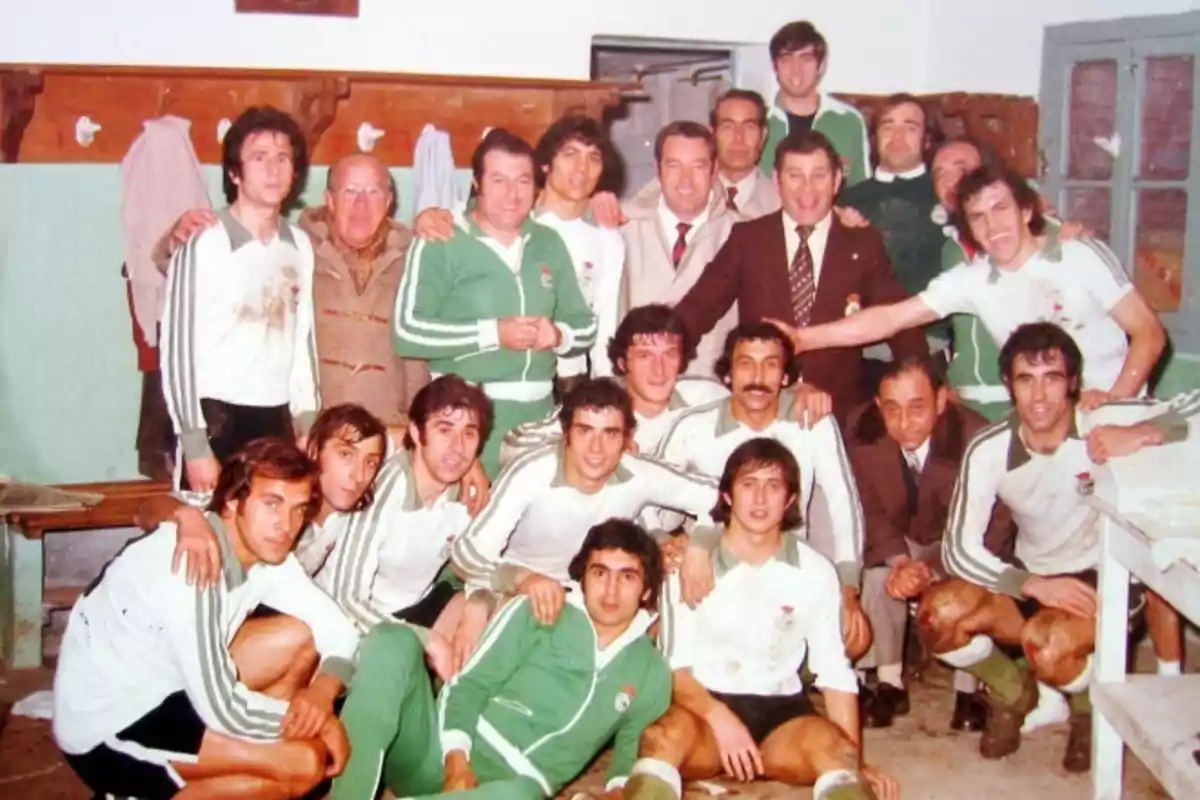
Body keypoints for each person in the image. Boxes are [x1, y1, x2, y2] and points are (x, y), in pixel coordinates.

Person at [916, 322, 1198, 771]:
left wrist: (1144, 431)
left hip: (1100, 576)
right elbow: (957, 549)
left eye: (1053, 378)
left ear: (1073, 383)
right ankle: (1015, 691)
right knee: (935, 616)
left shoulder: (1099, 422)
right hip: (1033, 575)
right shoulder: (989, 448)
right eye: (1026, 379)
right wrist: (1030, 584)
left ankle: (1090, 710)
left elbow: (1194, 403)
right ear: (1009, 384)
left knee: (1045, 644)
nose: (1040, 396)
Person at [53, 439, 360, 800]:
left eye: (298, 509)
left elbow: (339, 630)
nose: (286, 525)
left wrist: (322, 692)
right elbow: (224, 710)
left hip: (172, 688)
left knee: (299, 637)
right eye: (272, 504)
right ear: (233, 501)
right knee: (303, 763)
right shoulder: (191, 563)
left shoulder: (267, 552)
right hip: (110, 722)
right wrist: (318, 724)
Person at [623, 439, 897, 800]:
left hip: (781, 715)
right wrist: (721, 720)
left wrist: (854, 765)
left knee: (835, 751)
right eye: (748, 485)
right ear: (726, 497)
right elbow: (676, 669)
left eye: (773, 486)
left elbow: (834, 673)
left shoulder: (815, 570)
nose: (760, 499)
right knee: (660, 739)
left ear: (790, 500)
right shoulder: (690, 566)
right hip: (704, 711)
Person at [773, 162, 1168, 408]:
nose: (992, 227)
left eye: (1000, 210)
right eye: (978, 217)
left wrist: (1115, 400)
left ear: (1026, 210)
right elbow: (890, 318)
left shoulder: (1079, 255)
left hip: (1119, 406)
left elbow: (1149, 333)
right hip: (1046, 419)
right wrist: (804, 339)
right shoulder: (974, 280)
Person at [332, 520, 671, 799]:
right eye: (600, 573)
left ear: (645, 589)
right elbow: (468, 685)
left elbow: (629, 754)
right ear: (583, 577)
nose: (611, 591)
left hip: (512, 789)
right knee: (393, 641)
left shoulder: (651, 672)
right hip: (439, 752)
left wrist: (617, 790)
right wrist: (456, 763)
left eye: (627, 576)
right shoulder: (541, 611)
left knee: (519, 795)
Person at [153, 152, 430, 447]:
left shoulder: (417, 257)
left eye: (373, 191)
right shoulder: (293, 248)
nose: (361, 204)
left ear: (389, 201)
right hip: (314, 435)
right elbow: (190, 271)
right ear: (330, 199)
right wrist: (176, 238)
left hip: (391, 432)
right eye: (349, 191)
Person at [674, 130, 928, 423]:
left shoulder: (863, 243)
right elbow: (698, 308)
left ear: (836, 182)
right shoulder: (748, 239)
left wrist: (924, 384)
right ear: (778, 181)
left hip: (840, 414)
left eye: (818, 175)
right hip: (762, 410)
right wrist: (658, 353)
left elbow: (899, 321)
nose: (807, 189)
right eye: (795, 175)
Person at [653, 323, 868, 658]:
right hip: (713, 565)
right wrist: (664, 540)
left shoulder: (812, 421)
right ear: (727, 374)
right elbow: (653, 502)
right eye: (745, 363)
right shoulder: (693, 425)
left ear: (786, 377)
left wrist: (849, 586)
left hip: (788, 565)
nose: (757, 376)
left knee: (848, 632)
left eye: (770, 364)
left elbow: (844, 502)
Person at [449, 378, 723, 637]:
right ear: (566, 433)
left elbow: (719, 495)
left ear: (627, 440)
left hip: (593, 595)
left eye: (610, 434)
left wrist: (699, 545)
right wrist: (522, 578)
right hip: (519, 590)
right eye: (585, 431)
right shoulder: (532, 471)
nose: (597, 448)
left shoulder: (638, 473)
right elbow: (466, 555)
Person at [393, 128, 597, 476]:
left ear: (536, 185)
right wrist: (493, 334)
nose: (512, 194)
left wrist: (559, 336)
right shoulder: (441, 238)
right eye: (499, 179)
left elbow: (586, 324)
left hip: (540, 420)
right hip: (465, 420)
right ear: (477, 183)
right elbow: (407, 331)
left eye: (522, 181)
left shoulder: (549, 242)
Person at [845, 357, 1013, 731]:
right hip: (903, 538)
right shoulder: (862, 433)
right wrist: (900, 562)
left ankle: (970, 688)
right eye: (892, 410)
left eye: (917, 408)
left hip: (961, 544)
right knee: (876, 577)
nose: (904, 423)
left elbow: (994, 526)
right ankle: (889, 683)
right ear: (878, 407)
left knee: (965, 591)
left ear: (941, 401)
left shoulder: (978, 439)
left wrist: (933, 568)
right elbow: (867, 509)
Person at [160, 106, 319, 493]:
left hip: (277, 419)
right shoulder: (202, 243)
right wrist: (195, 445)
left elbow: (302, 340)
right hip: (216, 422)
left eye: (283, 158)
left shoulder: (298, 245)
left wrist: (308, 422)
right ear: (234, 173)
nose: (273, 169)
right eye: (259, 157)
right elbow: (175, 353)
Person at [320, 375, 493, 678]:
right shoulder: (386, 488)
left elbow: (486, 564)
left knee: (494, 614)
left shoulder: (468, 492)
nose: (457, 447)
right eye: (444, 430)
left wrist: (478, 607)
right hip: (360, 616)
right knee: (404, 659)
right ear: (416, 431)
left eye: (469, 433)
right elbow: (346, 599)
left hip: (416, 604)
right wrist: (426, 640)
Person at [619, 121, 743, 377]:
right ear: (658, 169)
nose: (686, 180)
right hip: (637, 391)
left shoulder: (743, 233)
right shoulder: (622, 225)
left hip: (712, 392)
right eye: (674, 166)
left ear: (714, 169)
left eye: (698, 166)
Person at [531, 115, 626, 388]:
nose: (582, 167)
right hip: (512, 371)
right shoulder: (520, 221)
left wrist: (605, 383)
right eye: (570, 154)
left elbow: (606, 318)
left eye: (593, 157)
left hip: (570, 378)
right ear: (546, 163)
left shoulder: (607, 236)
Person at [758, 21, 870, 186]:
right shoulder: (758, 119)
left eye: (806, 59)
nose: (796, 69)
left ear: (821, 66)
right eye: (787, 59)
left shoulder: (849, 121)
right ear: (775, 66)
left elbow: (861, 188)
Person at [711, 89, 781, 219]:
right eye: (728, 127)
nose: (738, 137)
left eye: (749, 127)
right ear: (713, 134)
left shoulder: (781, 206)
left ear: (763, 136)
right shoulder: (689, 195)